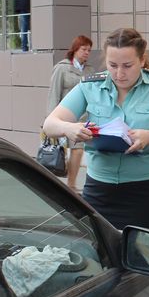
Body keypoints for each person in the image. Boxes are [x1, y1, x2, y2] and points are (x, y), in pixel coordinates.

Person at [42, 28, 149, 232]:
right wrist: (70, 128)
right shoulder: (90, 86)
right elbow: (50, 124)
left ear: (142, 60)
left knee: (142, 248)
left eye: (127, 66)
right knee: (100, 246)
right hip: (99, 186)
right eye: (112, 65)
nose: (119, 74)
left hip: (146, 188)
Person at [46, 35, 95, 191]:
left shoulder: (90, 70)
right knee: (59, 152)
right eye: (83, 49)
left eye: (89, 50)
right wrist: (50, 118)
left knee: (78, 149)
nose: (87, 53)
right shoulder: (62, 68)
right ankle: (54, 184)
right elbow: (54, 93)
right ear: (75, 49)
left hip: (82, 118)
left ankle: (71, 184)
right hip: (63, 117)